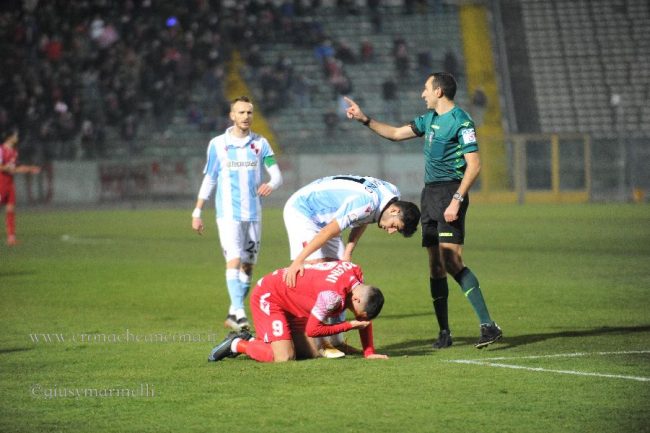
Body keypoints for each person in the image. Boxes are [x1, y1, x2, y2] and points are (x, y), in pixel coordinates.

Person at [344, 72, 502, 349]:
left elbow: (474, 164)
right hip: (429, 195)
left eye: (426, 89)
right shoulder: (429, 119)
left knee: (451, 261)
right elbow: (395, 134)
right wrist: (365, 119)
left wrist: (457, 199)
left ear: (439, 91)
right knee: (435, 265)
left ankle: (488, 326)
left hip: (450, 192)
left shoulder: (461, 121)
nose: (422, 94)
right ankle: (444, 332)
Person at [191, 96, 283, 332]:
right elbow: (210, 179)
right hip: (228, 214)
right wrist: (197, 211)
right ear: (232, 116)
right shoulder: (217, 144)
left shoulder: (260, 143)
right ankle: (240, 314)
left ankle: (233, 312)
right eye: (241, 112)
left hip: (253, 214)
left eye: (249, 112)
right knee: (233, 258)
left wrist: (271, 184)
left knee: (248, 266)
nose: (246, 116)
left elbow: (277, 175)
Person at [208, 260, 388, 363]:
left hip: (294, 302)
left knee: (313, 352)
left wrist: (369, 352)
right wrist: (348, 325)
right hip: (271, 296)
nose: (357, 317)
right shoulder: (331, 296)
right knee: (284, 357)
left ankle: (270, 341)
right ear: (356, 300)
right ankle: (239, 343)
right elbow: (313, 330)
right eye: (358, 314)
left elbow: (364, 317)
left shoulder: (356, 273)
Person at [282, 174, 420, 288]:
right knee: (313, 267)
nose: (390, 231)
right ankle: (288, 307)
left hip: (328, 219)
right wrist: (299, 260)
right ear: (394, 210)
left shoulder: (392, 193)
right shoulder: (367, 203)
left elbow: (365, 218)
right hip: (303, 208)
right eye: (394, 226)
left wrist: (347, 253)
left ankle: (332, 314)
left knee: (339, 272)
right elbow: (327, 232)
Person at [0, 129, 41, 246]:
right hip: (1, 183)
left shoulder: (14, 152)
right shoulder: (1, 150)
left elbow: (15, 168)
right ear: (9, 137)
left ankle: (11, 238)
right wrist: (7, 168)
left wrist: (30, 169)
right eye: (15, 135)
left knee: (10, 210)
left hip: (10, 184)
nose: (17, 137)